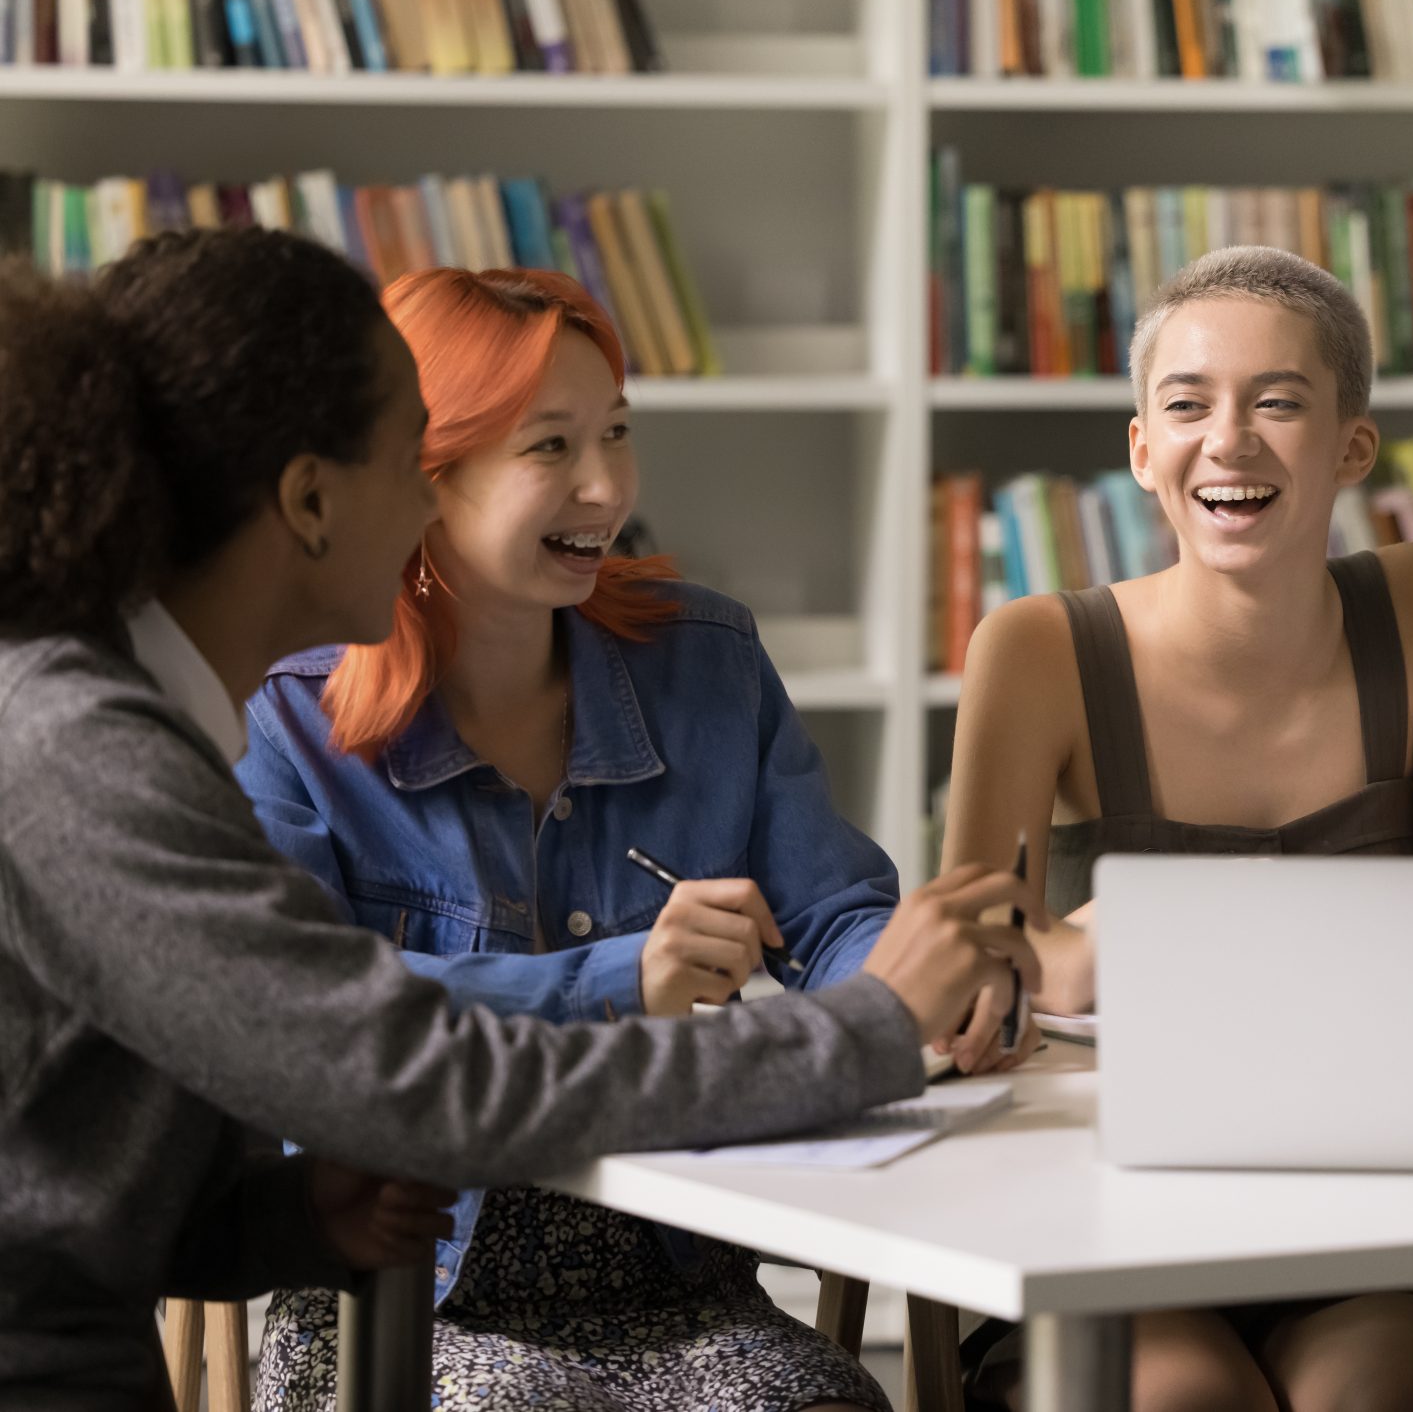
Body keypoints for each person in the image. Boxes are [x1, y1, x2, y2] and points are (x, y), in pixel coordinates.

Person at [0, 229, 1035, 1412]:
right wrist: (866, 1026)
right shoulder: (87, 754)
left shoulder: (100, 717)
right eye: (411, 458)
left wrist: (280, 1224)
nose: (428, 492)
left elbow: (74, 1156)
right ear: (309, 498)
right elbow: (410, 1072)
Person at [231, 265, 906, 1412]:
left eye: (617, 433)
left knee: (815, 1401)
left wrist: (918, 986)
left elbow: (835, 913)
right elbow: (301, 1011)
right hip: (397, 1281)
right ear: (422, 468)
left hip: (673, 1270)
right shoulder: (285, 707)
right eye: (549, 447)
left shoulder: (710, 661)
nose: (605, 485)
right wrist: (613, 979)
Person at [940, 246, 1413, 1412]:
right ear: (1141, 452)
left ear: (1351, 447)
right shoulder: (1034, 646)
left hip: (1370, 1198)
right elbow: (980, 982)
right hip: (1102, 1205)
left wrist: (1121, 937)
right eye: (1187, 404)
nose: (1231, 439)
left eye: (1277, 402)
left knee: (1382, 1399)